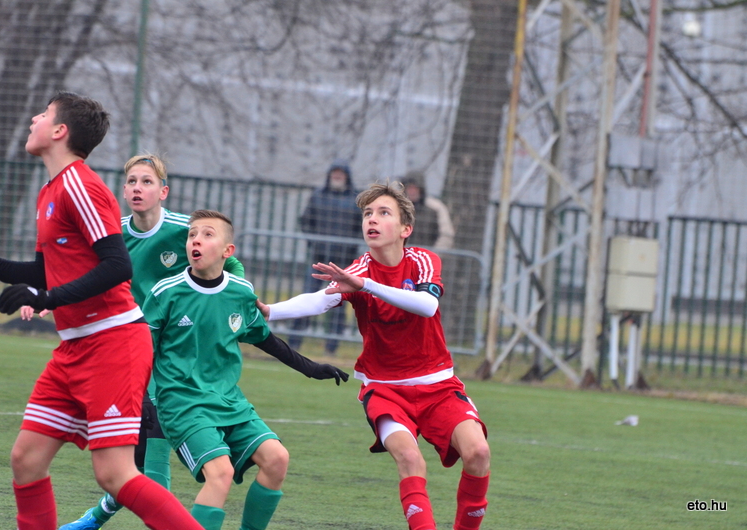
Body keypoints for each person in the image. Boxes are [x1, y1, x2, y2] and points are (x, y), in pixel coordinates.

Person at [0, 91, 205, 530]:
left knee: (115, 475)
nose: (34, 119)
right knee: (26, 459)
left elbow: (116, 265)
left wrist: (43, 299)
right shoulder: (50, 190)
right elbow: (48, 271)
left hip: (114, 344)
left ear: (60, 131)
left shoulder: (78, 184)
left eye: (43, 115)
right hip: (75, 348)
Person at [258, 182, 490, 530]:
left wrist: (365, 286)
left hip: (438, 386)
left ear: (405, 229)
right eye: (368, 213)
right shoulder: (359, 270)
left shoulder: (422, 260)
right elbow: (320, 299)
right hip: (385, 390)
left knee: (479, 454)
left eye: (384, 213)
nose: (373, 220)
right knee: (410, 459)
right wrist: (270, 311)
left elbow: (427, 306)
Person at [54, 154, 246, 530]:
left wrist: (239, 300)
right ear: (123, 190)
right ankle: (99, 514)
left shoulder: (183, 231)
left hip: (170, 353)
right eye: (131, 182)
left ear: (163, 191)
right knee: (130, 451)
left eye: (146, 182)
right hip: (124, 346)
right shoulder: (116, 235)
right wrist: (53, 299)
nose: (137, 189)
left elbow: (230, 268)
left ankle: (106, 519)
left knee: (154, 442)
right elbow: (87, 275)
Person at [141, 209, 349, 530]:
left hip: (228, 402)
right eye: (192, 234)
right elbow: (138, 351)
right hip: (182, 404)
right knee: (220, 473)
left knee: (277, 459)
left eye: (207, 234)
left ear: (228, 251)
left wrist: (312, 368)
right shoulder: (166, 293)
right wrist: (137, 399)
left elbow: (266, 340)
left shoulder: (239, 293)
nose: (196, 239)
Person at [290, 159, 363, 355]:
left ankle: (332, 347)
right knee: (307, 298)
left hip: (343, 261)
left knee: (338, 303)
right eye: (335, 174)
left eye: (341, 174)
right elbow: (306, 221)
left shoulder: (355, 200)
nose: (337, 177)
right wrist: (315, 242)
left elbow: (360, 228)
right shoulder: (318, 196)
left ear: (346, 177)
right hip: (319, 258)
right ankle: (294, 343)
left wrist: (350, 246)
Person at [400, 170, 454, 250]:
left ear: (421, 190)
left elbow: (446, 235)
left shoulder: (435, 208)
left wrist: (432, 255)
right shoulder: (396, 209)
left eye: (415, 188)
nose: (412, 191)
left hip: (427, 257)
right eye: (409, 188)